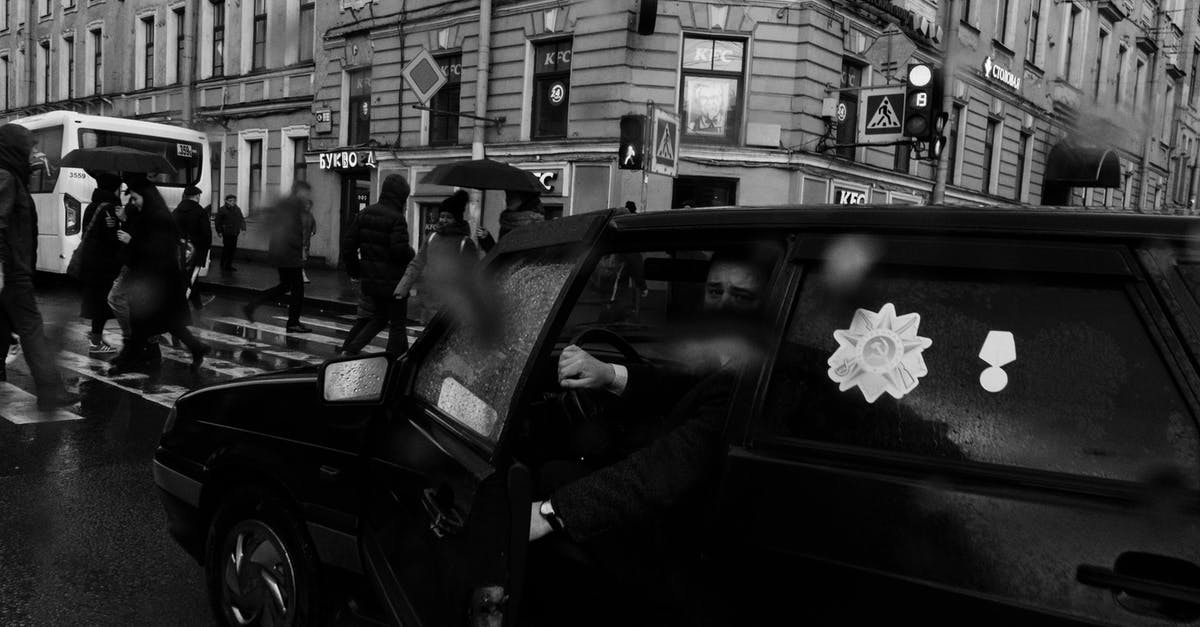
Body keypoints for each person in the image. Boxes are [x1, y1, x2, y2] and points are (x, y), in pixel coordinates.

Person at [524, 245, 779, 625]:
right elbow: (682, 384)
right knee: (557, 473)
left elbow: (665, 469)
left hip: (684, 542)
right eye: (715, 292)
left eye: (740, 297)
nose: (723, 306)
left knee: (551, 487)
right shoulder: (734, 354)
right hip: (688, 512)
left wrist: (552, 513)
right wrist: (609, 374)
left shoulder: (754, 381)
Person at [0, 123, 79, 408]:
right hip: (11, 274)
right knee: (32, 331)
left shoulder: (12, 175)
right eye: (29, 146)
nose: (34, 151)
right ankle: (51, 392)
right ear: (15, 147)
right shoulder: (6, 176)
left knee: (3, 325)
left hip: (12, 272)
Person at [110, 174, 210, 373]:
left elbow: (158, 250)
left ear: (147, 197)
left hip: (158, 280)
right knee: (166, 322)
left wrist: (132, 241)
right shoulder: (146, 214)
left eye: (136, 198)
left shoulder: (159, 218)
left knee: (141, 322)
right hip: (152, 278)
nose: (133, 202)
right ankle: (197, 347)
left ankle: (129, 361)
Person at [340, 174, 415, 355]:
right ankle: (394, 364)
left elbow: (348, 246)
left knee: (379, 318)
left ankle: (350, 350)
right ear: (400, 197)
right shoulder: (397, 219)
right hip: (395, 282)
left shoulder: (364, 214)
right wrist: (411, 253)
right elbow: (399, 252)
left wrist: (356, 271)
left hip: (371, 281)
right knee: (397, 325)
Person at [392, 190, 480, 323]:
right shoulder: (432, 237)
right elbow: (416, 264)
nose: (444, 220)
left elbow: (472, 275)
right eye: (442, 216)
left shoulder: (465, 243)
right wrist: (402, 288)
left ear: (457, 219)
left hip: (451, 306)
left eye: (449, 217)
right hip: (428, 301)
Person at [243, 182, 313, 333]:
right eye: (306, 192)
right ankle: (293, 323)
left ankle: (251, 305)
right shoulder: (292, 205)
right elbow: (287, 230)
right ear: (300, 191)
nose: (308, 196)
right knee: (297, 289)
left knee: (285, 286)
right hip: (288, 254)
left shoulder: (289, 204)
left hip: (284, 253)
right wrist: (298, 250)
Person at [76, 172, 124, 354]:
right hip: (105, 265)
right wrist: (118, 226)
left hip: (91, 264)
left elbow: (86, 232)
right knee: (104, 304)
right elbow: (111, 240)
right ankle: (96, 342)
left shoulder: (92, 206)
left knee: (98, 303)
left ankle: (96, 338)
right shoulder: (110, 208)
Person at [172, 185, 215, 310]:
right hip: (195, 251)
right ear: (197, 197)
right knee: (190, 278)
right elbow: (206, 234)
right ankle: (179, 308)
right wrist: (205, 251)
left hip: (179, 251)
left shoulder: (177, 210)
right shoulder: (200, 212)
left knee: (189, 276)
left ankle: (197, 304)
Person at [476, 188, 545, 253]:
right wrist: (486, 239)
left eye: (513, 195)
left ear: (525, 198)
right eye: (507, 194)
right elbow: (499, 256)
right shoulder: (508, 221)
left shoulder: (535, 225)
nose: (507, 198)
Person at [214, 194, 245, 273]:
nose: (232, 202)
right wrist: (219, 231)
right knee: (227, 248)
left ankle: (228, 264)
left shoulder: (237, 209)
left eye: (234, 201)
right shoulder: (222, 210)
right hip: (227, 232)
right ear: (226, 201)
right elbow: (217, 222)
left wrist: (243, 228)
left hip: (235, 232)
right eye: (230, 201)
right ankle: (224, 264)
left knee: (232, 249)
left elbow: (241, 219)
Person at [300, 197, 316, 284]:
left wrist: (313, 231)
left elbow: (314, 224)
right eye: (306, 205)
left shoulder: (310, 215)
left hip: (306, 240)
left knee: (305, 258)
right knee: (302, 258)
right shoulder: (299, 215)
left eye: (309, 205)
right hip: (299, 240)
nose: (308, 206)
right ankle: (303, 275)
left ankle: (300, 273)